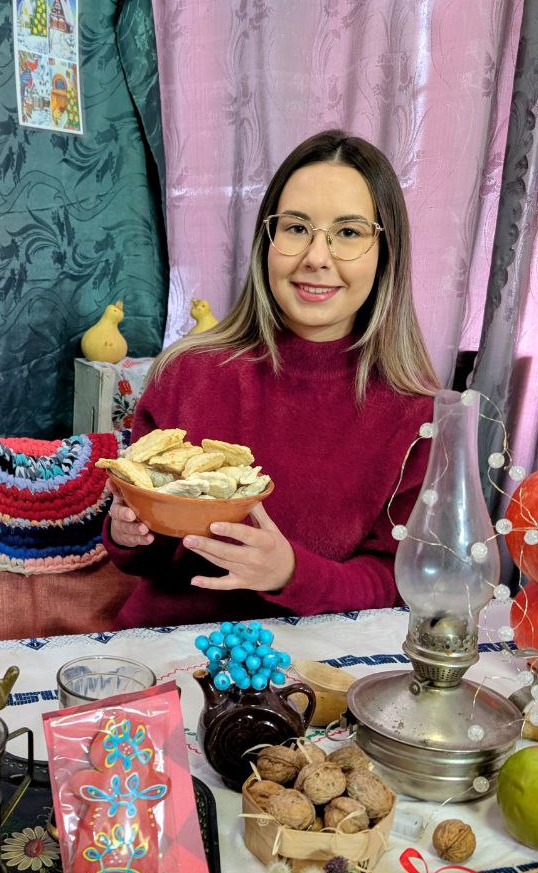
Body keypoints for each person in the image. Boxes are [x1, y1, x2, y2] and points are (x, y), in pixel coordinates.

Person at [103, 129, 439, 628]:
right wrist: (128, 533)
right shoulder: (188, 373)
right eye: (297, 228)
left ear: (386, 252)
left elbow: (397, 580)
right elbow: (142, 556)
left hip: (319, 659)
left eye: (349, 233)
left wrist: (291, 573)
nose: (316, 257)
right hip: (168, 644)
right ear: (268, 240)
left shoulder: (418, 414)